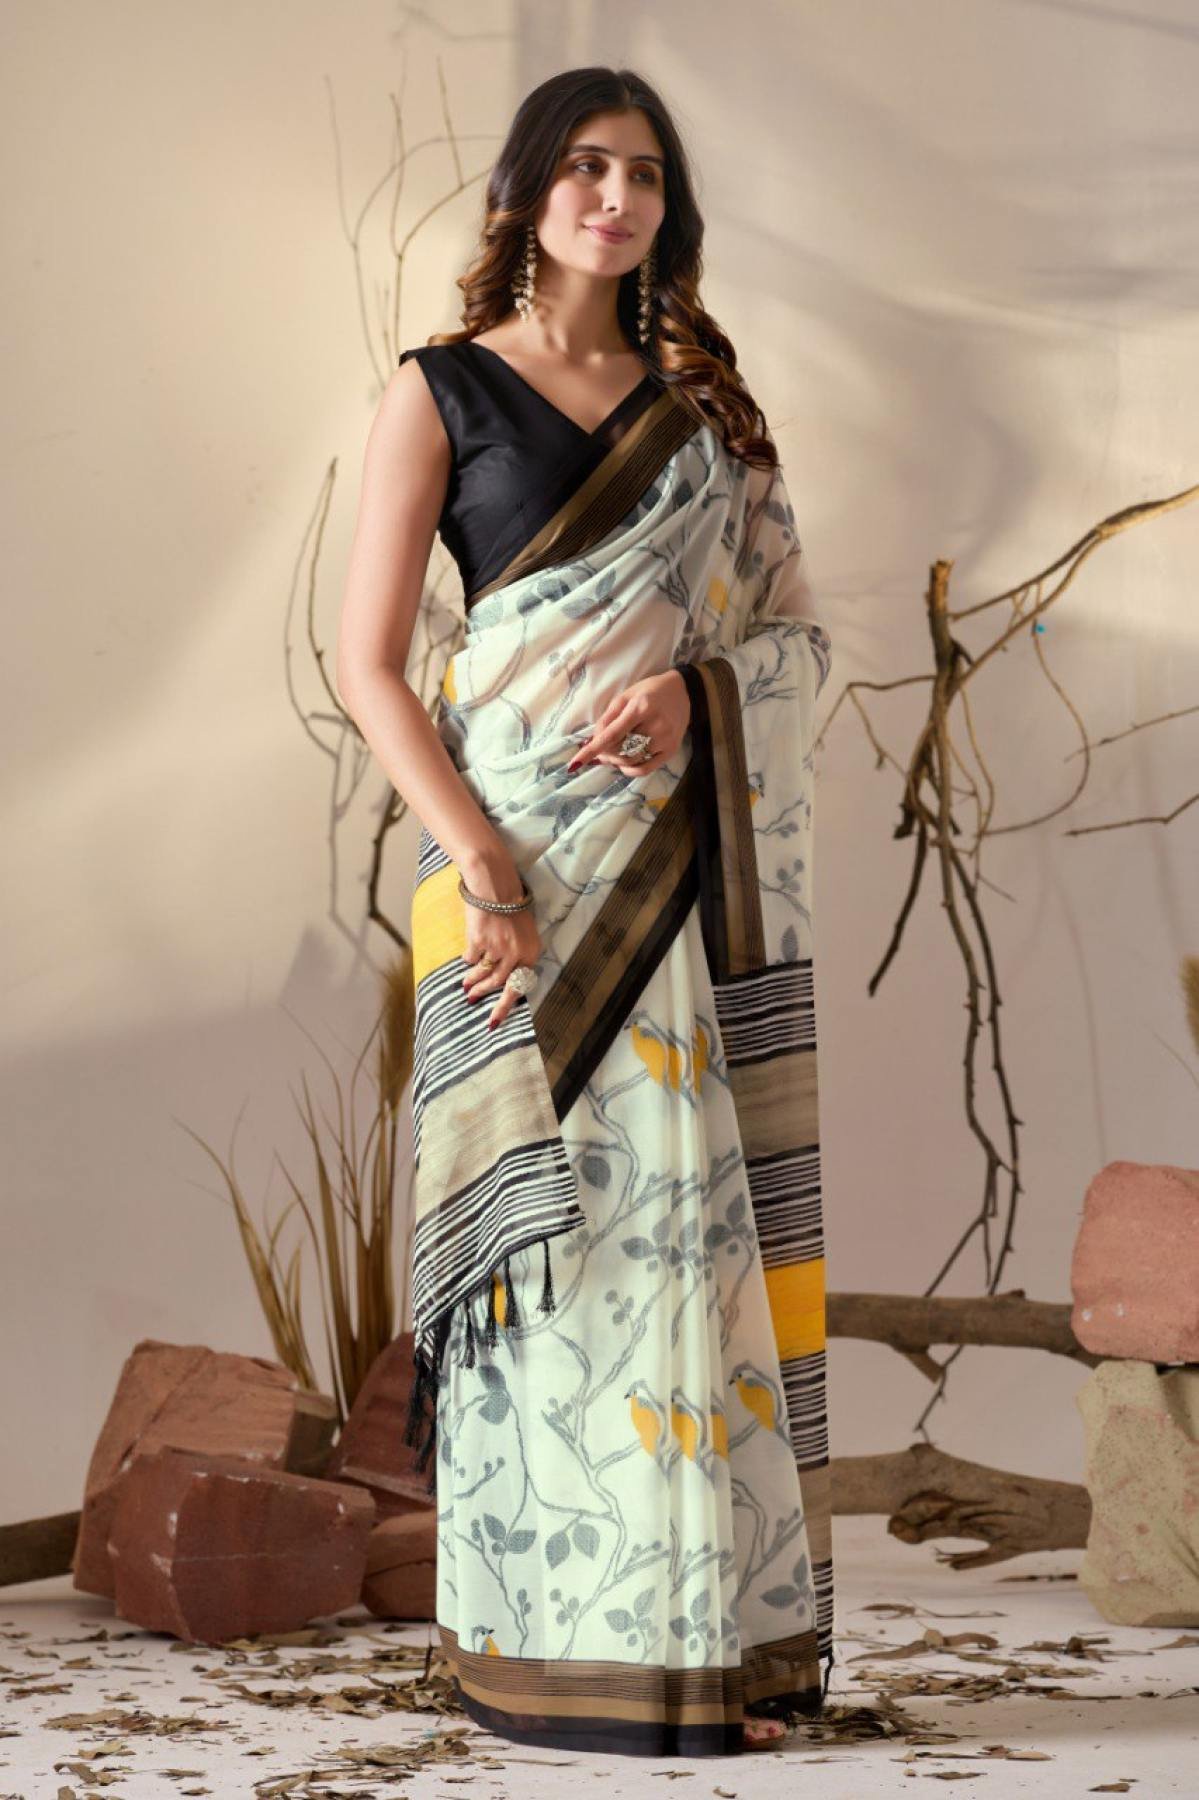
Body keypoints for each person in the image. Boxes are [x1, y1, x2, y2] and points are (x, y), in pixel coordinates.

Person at [336, 65, 834, 1759]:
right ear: (525, 194)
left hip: (670, 879)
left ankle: (698, 1658)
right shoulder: (443, 391)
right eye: (586, 168)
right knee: (541, 1261)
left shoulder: (708, 419)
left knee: (675, 1252)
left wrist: (699, 697)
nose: (615, 199)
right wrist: (481, 860)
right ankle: (532, 1653)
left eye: (645, 175)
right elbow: (367, 663)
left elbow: (795, 640)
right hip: (506, 885)